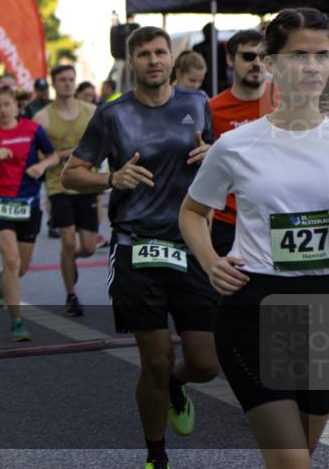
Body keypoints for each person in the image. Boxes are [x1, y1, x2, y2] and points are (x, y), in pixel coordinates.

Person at [62, 26, 219, 469]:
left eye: (160, 52)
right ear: (132, 63)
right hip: (136, 247)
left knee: (206, 363)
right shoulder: (113, 115)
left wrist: (213, 154)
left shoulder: (197, 103)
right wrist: (112, 178)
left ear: (172, 59)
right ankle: (156, 455)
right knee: (155, 358)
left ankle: (175, 384)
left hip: (190, 245)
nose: (153, 60)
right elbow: (71, 175)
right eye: (144, 54)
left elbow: (219, 158)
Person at [180, 7, 329, 468]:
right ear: (270, 63)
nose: (312, 66)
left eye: (323, 55)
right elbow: (191, 211)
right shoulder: (238, 144)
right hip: (257, 306)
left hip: (319, 313)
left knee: (298, 456)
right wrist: (209, 261)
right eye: (299, 54)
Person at [0, 86, 58, 341]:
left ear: (16, 106)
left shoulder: (31, 129)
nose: (2, 110)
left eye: (7, 105)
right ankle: (17, 321)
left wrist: (41, 166)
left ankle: (3, 281)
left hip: (28, 203)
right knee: (11, 260)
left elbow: (53, 156)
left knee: (21, 266)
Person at [33, 65, 99, 316]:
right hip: (57, 185)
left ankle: (70, 261)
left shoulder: (91, 111)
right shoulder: (42, 117)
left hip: (87, 182)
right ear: (54, 83)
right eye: (62, 80)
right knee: (68, 241)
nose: (68, 84)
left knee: (89, 247)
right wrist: (65, 154)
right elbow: (40, 155)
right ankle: (71, 295)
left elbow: (99, 144)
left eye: (71, 79)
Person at [207, 28, 274, 257]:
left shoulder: (286, 104)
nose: (256, 63)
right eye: (248, 56)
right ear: (229, 59)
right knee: (231, 290)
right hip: (228, 222)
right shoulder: (211, 110)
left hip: (276, 218)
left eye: (262, 57)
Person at [193, 22, 231, 97]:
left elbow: (226, 64)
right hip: (203, 82)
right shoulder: (198, 48)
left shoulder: (221, 47)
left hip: (219, 82)